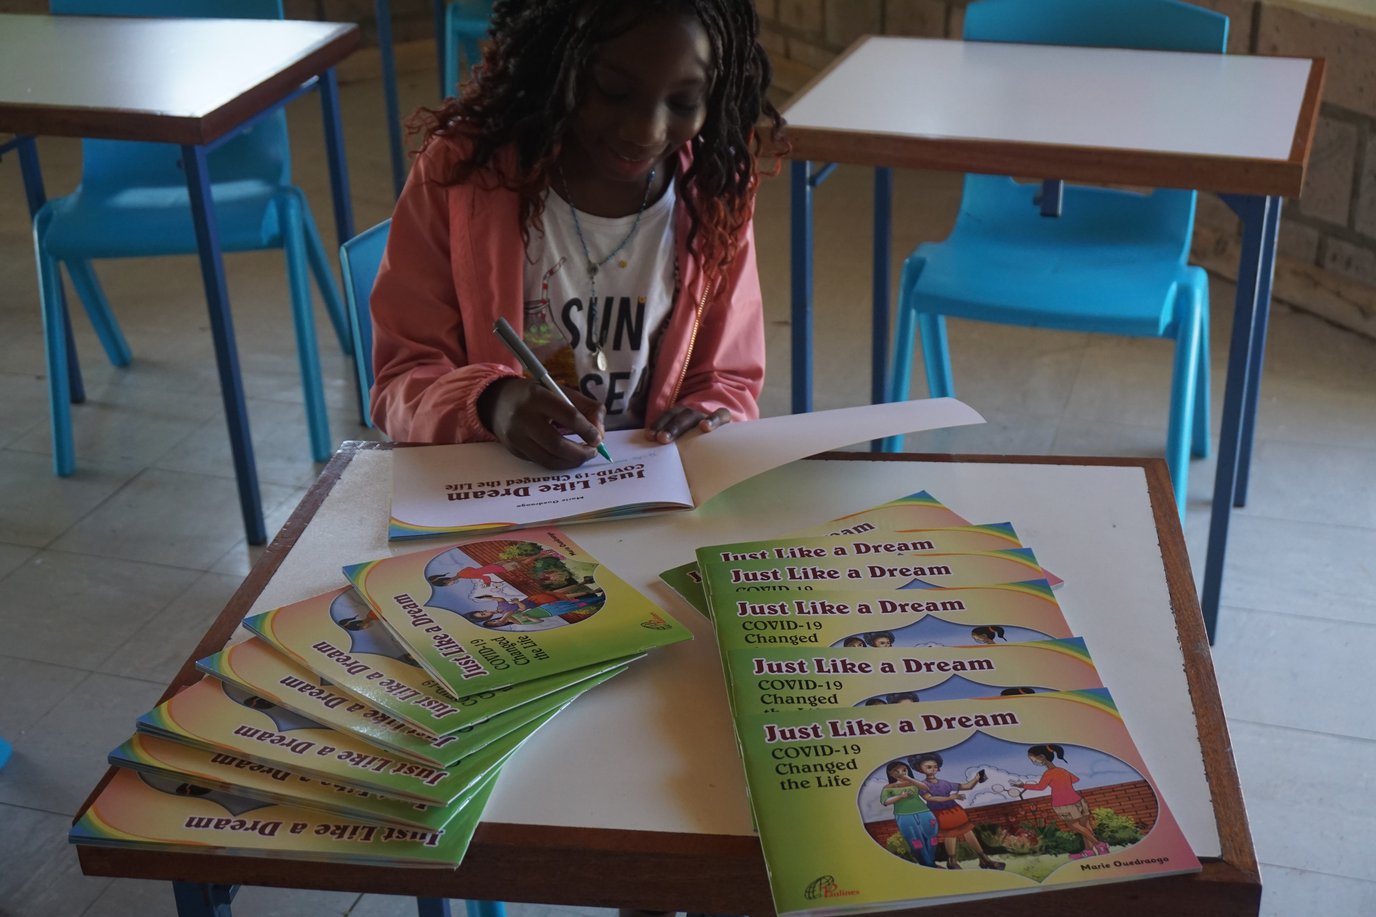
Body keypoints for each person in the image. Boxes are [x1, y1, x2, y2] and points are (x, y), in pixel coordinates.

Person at [370, 0, 785, 470]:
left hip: (650, 489)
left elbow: (727, 378)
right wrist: (489, 403)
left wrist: (709, 416)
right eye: (612, 90)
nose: (644, 131)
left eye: (684, 102)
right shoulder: (465, 175)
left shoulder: (711, 189)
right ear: (557, 64)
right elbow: (401, 380)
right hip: (497, 480)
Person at [1010, 744, 1107, 859]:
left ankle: (1099, 845)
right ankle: (1089, 851)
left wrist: (1022, 785)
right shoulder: (1062, 770)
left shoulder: (1049, 773)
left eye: (1032, 759)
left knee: (1075, 826)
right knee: (1085, 825)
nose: (1032, 761)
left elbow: (1040, 787)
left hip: (1063, 804)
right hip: (1078, 800)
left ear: (1042, 757)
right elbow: (1076, 779)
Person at [913, 753, 1005, 871]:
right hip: (940, 813)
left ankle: (984, 859)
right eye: (929, 767)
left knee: (968, 832)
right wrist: (950, 798)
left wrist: (976, 778)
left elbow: (967, 786)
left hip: (955, 810)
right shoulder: (922, 785)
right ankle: (952, 861)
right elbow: (929, 798)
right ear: (920, 769)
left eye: (935, 766)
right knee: (950, 835)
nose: (933, 769)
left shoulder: (944, 783)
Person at [878, 760, 937, 867]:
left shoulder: (913, 782)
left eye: (904, 770)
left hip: (924, 812)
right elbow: (885, 802)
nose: (901, 773)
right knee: (915, 841)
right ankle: (927, 865)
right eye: (896, 771)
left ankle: (932, 862)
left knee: (932, 837)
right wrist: (901, 796)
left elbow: (926, 788)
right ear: (890, 774)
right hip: (904, 815)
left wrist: (908, 778)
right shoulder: (889, 787)